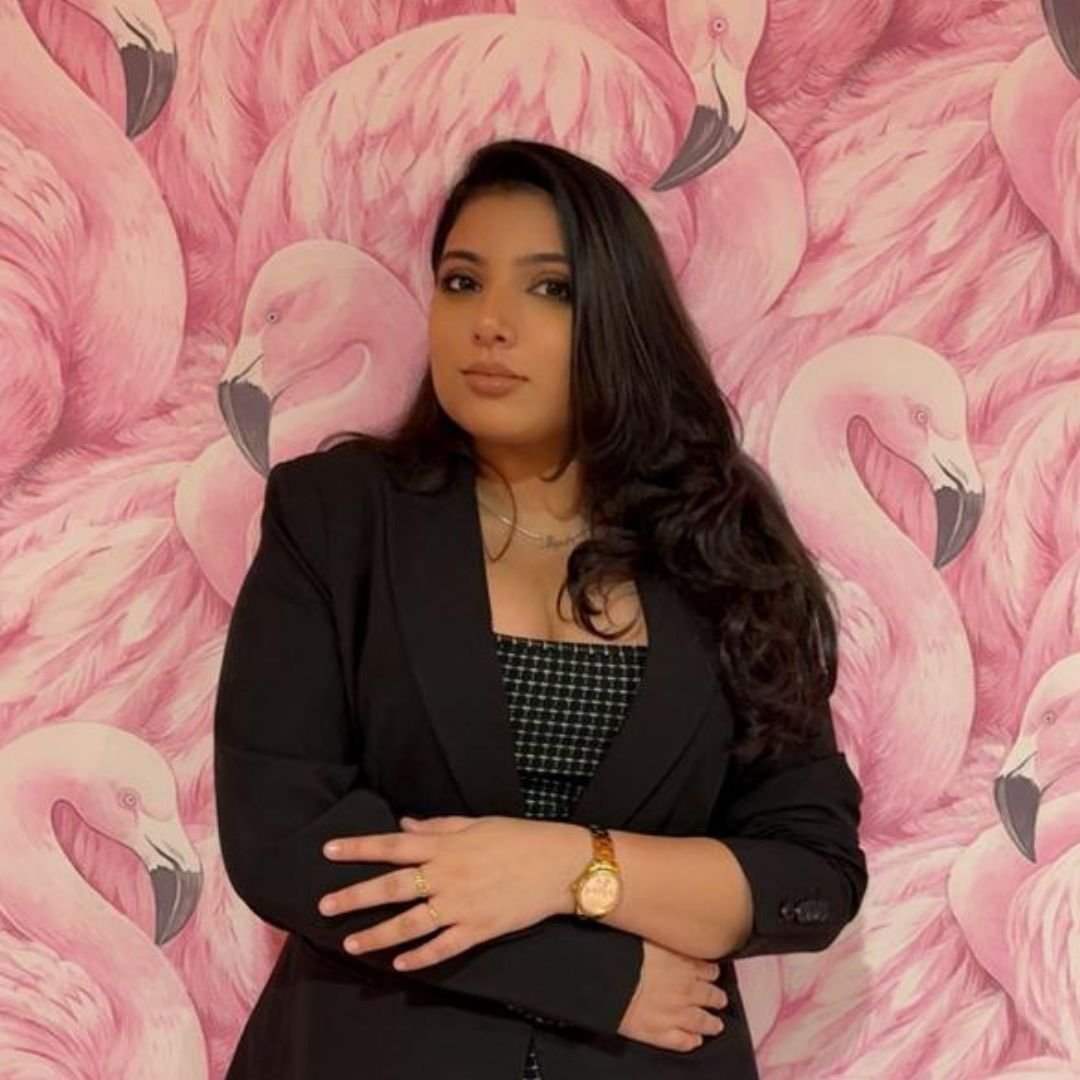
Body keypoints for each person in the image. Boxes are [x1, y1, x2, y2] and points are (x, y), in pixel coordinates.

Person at [213, 138, 867, 1080]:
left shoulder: (727, 547)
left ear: (620, 317)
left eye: (549, 289)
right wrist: (590, 973)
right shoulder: (339, 514)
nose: (490, 323)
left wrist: (569, 866)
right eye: (462, 282)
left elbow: (810, 872)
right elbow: (286, 835)